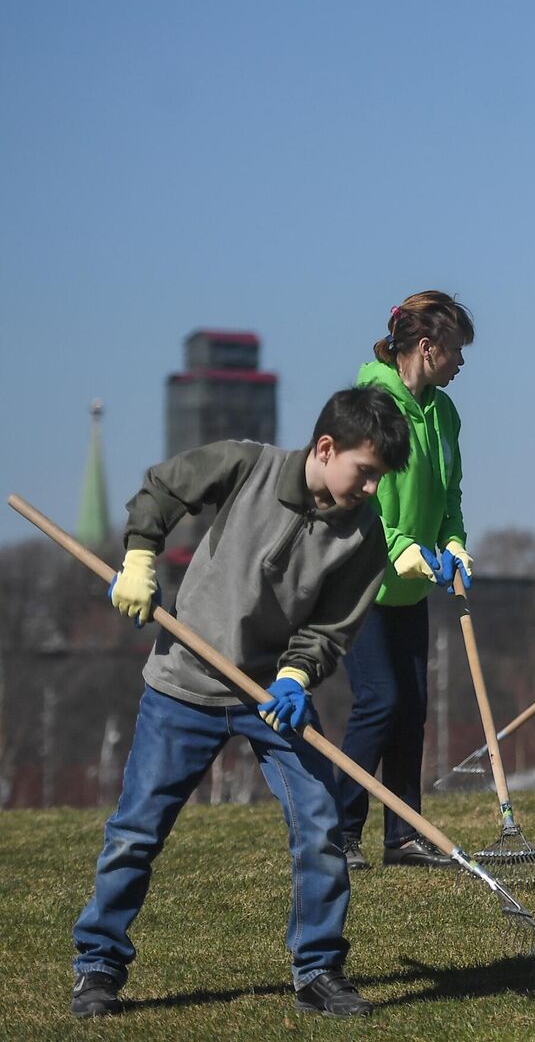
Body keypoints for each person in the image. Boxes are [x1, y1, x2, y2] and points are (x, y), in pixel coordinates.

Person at [70, 386, 411, 1020]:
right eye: (365, 474)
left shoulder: (365, 536)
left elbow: (331, 629)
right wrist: (141, 554)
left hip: (273, 701)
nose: (370, 490)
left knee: (322, 828)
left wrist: (296, 676)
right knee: (136, 832)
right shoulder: (245, 465)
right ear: (326, 447)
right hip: (184, 685)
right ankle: (98, 966)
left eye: (379, 479)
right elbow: (162, 488)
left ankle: (318, 971)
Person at [335, 291, 475, 870]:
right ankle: (337, 834)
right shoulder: (370, 408)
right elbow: (362, 505)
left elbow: (449, 496)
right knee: (380, 701)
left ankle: (404, 833)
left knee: (412, 705)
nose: (463, 364)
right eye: (457, 351)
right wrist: (408, 552)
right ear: (427, 346)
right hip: (363, 581)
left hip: (410, 587)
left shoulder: (444, 414)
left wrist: (454, 541)